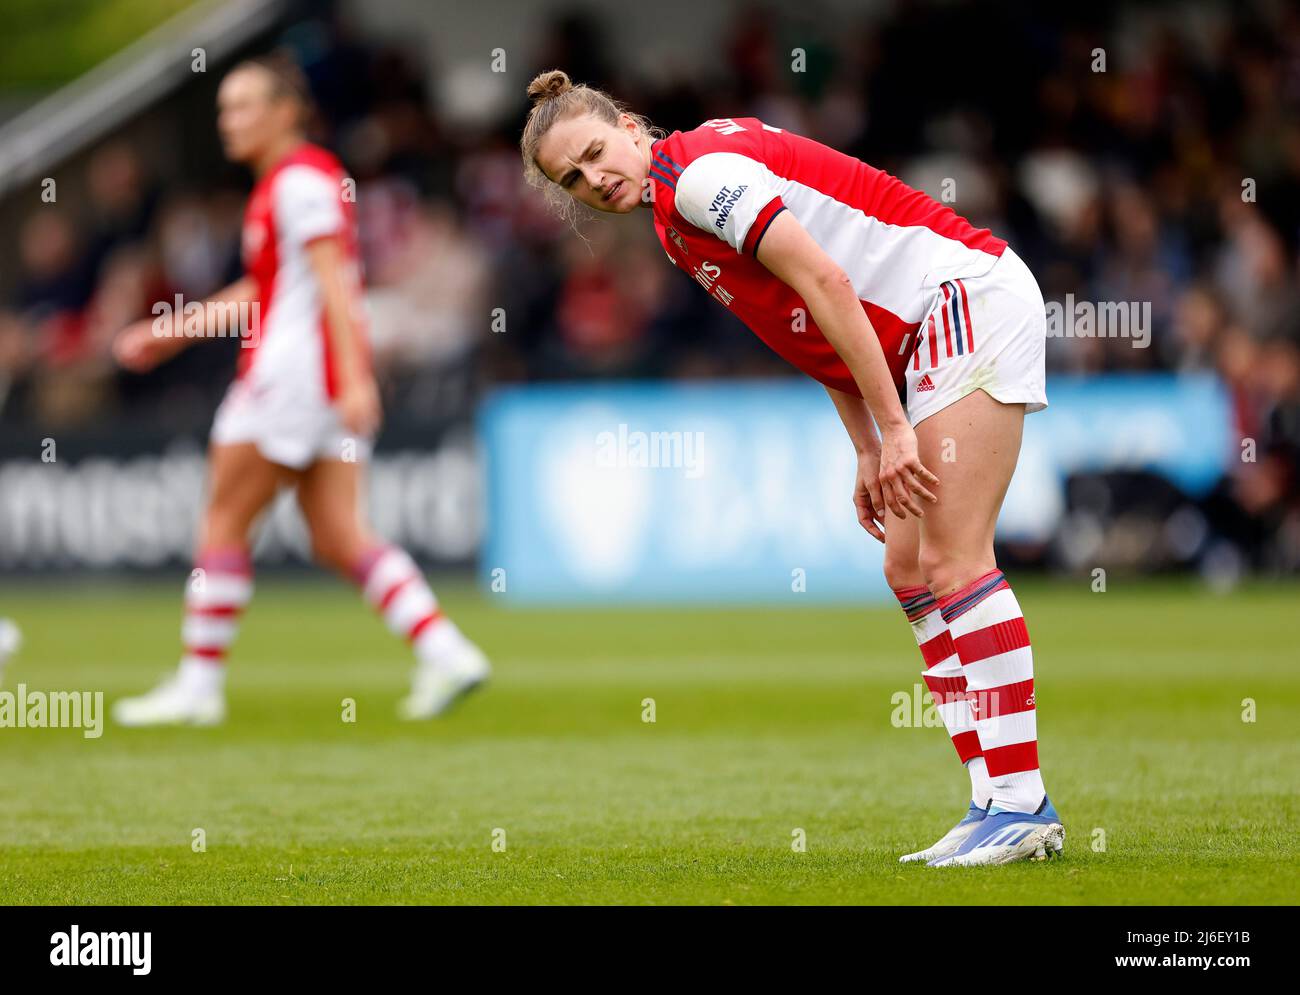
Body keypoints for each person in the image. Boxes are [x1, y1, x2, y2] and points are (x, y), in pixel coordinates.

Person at [520, 70, 1061, 867]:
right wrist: (870, 445)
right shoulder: (674, 216)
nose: (596, 180)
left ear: (631, 126)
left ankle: (1020, 803)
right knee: (908, 566)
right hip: (920, 332)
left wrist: (893, 425)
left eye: (596, 153)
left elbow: (828, 281)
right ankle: (990, 798)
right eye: (574, 179)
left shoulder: (698, 177)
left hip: (962, 299)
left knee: (951, 556)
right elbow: (807, 327)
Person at [111, 54, 488, 726]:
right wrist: (174, 331)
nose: (230, 121)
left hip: (290, 378)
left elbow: (337, 282)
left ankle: (198, 684)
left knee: (223, 518)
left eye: (245, 105)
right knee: (338, 533)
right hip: (313, 379)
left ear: (287, 110)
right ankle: (447, 649)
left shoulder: (300, 181)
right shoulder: (291, 184)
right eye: (225, 108)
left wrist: (353, 377)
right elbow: (270, 287)